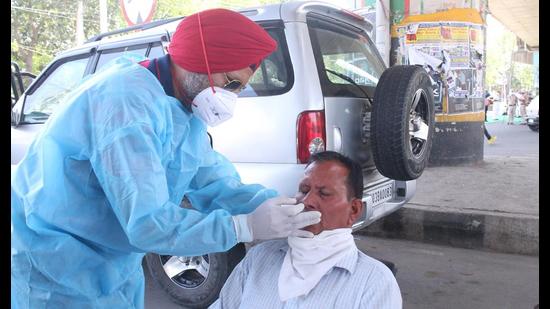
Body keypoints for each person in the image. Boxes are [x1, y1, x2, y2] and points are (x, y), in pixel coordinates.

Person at [11, 8, 322, 308]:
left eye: (238, 88)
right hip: (55, 267)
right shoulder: (126, 106)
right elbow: (148, 223)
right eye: (231, 83)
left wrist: (274, 206)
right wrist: (244, 227)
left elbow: (213, 181)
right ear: (198, 60)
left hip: (112, 265)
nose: (232, 97)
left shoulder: (182, 108)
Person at [210, 151, 402, 309]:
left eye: (324, 194)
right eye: (303, 189)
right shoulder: (259, 258)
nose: (307, 201)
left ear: (354, 210)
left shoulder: (374, 283)